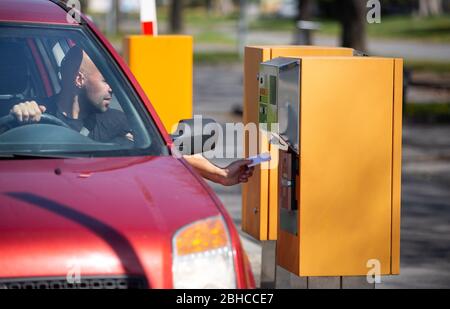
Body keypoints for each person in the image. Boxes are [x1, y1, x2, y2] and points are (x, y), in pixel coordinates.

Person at [10, 46, 254, 186]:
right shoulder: (35, 112)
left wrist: (221, 175)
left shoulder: (117, 122)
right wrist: (21, 118)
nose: (111, 88)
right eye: (106, 81)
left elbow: (168, 147)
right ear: (79, 79)